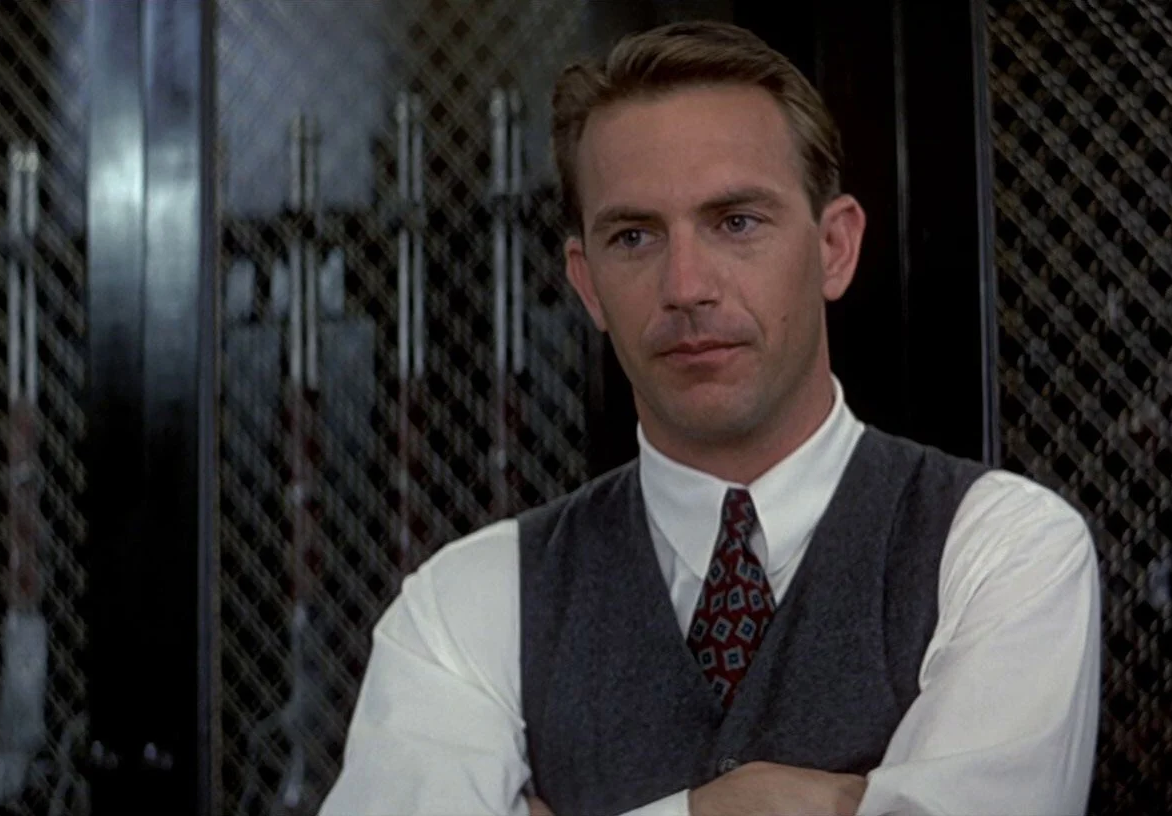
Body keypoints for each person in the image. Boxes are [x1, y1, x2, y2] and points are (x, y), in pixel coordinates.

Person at [319, 20, 1100, 816]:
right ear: (587, 284)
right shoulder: (468, 603)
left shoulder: (1002, 550)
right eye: (634, 236)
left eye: (736, 222)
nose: (686, 286)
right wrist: (728, 807)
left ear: (834, 248)